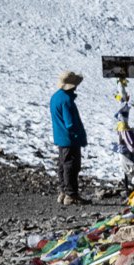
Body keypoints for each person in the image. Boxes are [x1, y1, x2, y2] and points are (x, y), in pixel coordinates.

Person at [49, 71, 88, 205]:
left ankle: (63, 192)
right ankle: (71, 194)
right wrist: (80, 136)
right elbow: (70, 123)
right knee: (71, 166)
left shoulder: (55, 97)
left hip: (60, 137)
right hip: (70, 138)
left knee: (62, 165)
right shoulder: (67, 100)